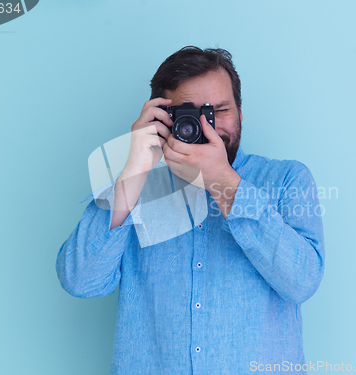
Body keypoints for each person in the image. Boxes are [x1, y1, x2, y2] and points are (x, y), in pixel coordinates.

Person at [55, 46, 325, 375]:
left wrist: (224, 181)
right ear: (161, 118)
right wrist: (134, 170)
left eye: (218, 111)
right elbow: (81, 281)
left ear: (240, 113)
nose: (204, 125)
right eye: (189, 113)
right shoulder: (138, 187)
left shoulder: (287, 179)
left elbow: (301, 281)